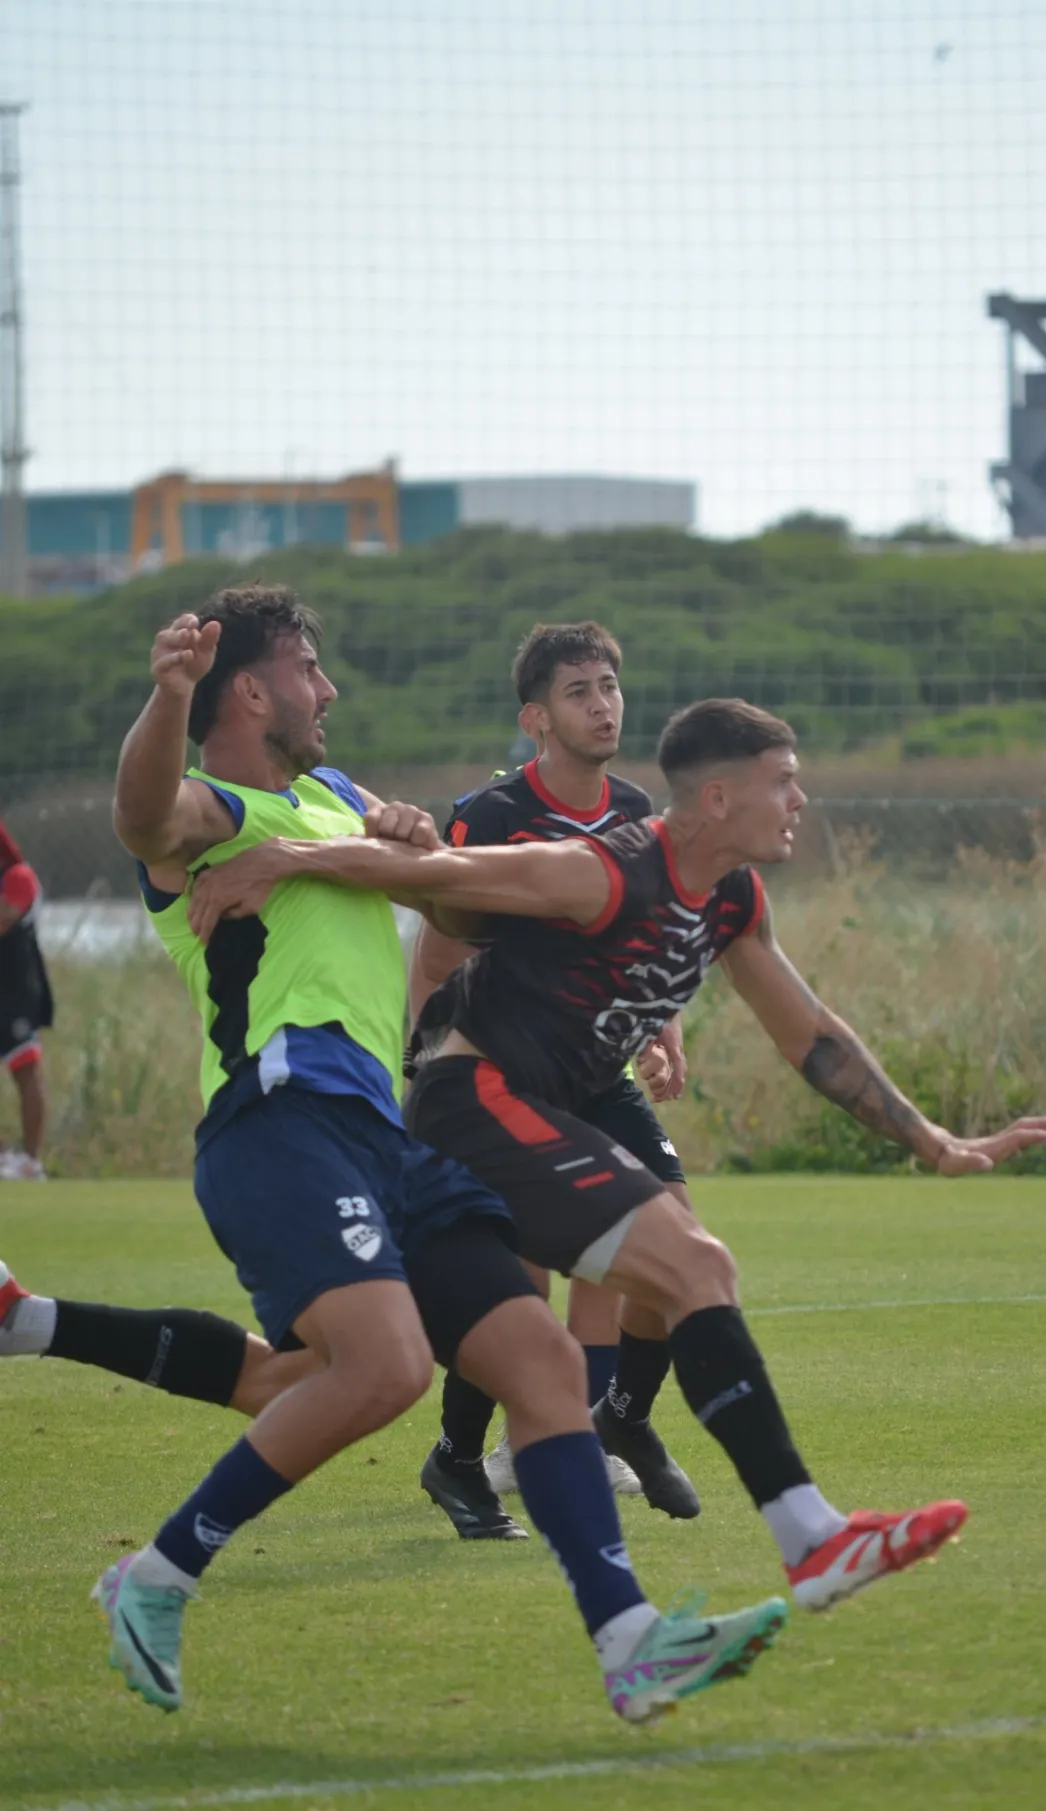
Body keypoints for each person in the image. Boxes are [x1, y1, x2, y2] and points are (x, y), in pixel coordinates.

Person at [188, 695, 1046, 1617]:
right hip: (473, 1101)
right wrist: (289, 852)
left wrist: (934, 1141)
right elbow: (440, 868)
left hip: (548, 1106)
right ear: (718, 797)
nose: (800, 799)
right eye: (785, 781)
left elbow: (812, 1037)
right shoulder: (599, 871)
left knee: (652, 1288)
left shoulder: (733, 897)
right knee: (685, 1261)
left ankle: (720, 1535)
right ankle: (803, 1538)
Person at [85, 590, 786, 1722]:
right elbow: (141, 814)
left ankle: (632, 1641)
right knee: (384, 1366)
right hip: (281, 1120)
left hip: (385, 1131)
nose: (331, 689)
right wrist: (168, 698)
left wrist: (400, 829)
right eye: (310, 669)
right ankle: (153, 1574)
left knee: (546, 1364)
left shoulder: (325, 795)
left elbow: (416, 857)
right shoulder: (220, 811)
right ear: (253, 691)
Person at [413, 620, 699, 1539]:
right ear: (537, 716)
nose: (603, 702)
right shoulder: (489, 818)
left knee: (674, 1244)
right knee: (521, 1274)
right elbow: (438, 955)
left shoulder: (636, 808)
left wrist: (662, 1025)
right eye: (580, 690)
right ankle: (461, 1459)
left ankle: (616, 1419)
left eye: (610, 684)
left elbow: (648, 937)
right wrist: (429, 1069)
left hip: (594, 1068)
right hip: (502, 1074)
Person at [0, 819, 53, 1181]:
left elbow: (4, 919)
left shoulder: (18, 876)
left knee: (25, 1071)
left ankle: (31, 1161)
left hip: (18, 989)